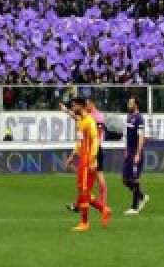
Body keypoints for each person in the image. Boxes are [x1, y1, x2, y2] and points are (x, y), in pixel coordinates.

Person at [70, 96, 110, 232]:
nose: (73, 108)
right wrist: (73, 155)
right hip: (83, 160)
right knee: (82, 190)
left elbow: (94, 141)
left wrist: (93, 159)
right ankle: (104, 209)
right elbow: (80, 142)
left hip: (88, 160)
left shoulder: (90, 121)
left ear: (80, 106)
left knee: (84, 191)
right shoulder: (80, 121)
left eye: (74, 106)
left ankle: (84, 223)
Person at [122, 96, 148, 215]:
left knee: (135, 179)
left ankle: (134, 207)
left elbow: (141, 136)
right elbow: (128, 136)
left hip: (136, 152)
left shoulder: (139, 118)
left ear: (135, 105)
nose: (128, 104)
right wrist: (127, 150)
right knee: (125, 179)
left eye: (130, 103)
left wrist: (138, 153)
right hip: (130, 151)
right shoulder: (129, 117)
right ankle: (142, 196)